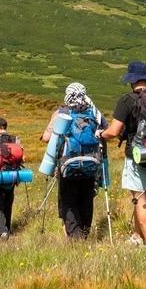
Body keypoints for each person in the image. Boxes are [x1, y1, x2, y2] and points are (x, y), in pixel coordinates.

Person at [97, 60, 146, 246]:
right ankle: (137, 236)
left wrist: (101, 133)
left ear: (131, 80)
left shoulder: (127, 100)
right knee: (144, 196)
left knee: (140, 200)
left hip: (137, 155)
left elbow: (114, 131)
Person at [41, 82, 108, 239]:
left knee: (68, 200)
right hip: (91, 164)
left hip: (67, 165)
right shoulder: (95, 113)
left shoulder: (62, 113)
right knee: (86, 198)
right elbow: (106, 133)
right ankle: (84, 234)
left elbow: (46, 138)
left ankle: (75, 237)